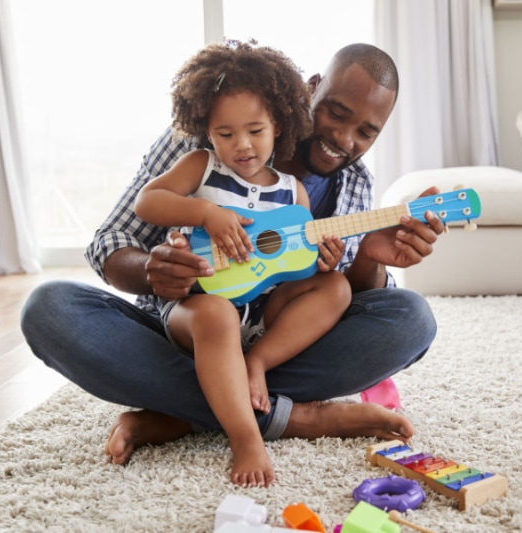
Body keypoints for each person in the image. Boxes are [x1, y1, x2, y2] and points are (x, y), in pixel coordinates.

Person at [20, 42, 445, 486]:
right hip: (187, 325)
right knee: (49, 309)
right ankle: (291, 418)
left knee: (412, 319)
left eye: (366, 132)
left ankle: (184, 414)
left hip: (272, 340)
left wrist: (371, 259)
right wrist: (152, 270)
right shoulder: (203, 140)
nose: (345, 139)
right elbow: (111, 240)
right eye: (336, 114)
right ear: (312, 89)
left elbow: (348, 300)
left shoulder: (351, 183)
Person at [134, 41, 351, 486]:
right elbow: (147, 202)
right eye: (225, 134)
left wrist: (324, 262)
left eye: (255, 130)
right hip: (199, 310)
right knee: (215, 314)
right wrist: (205, 214)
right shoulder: (202, 166)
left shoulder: (293, 192)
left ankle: (255, 366)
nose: (242, 145)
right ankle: (246, 436)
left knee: (338, 289)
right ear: (207, 131)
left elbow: (293, 265)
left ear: (279, 123)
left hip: (260, 318)